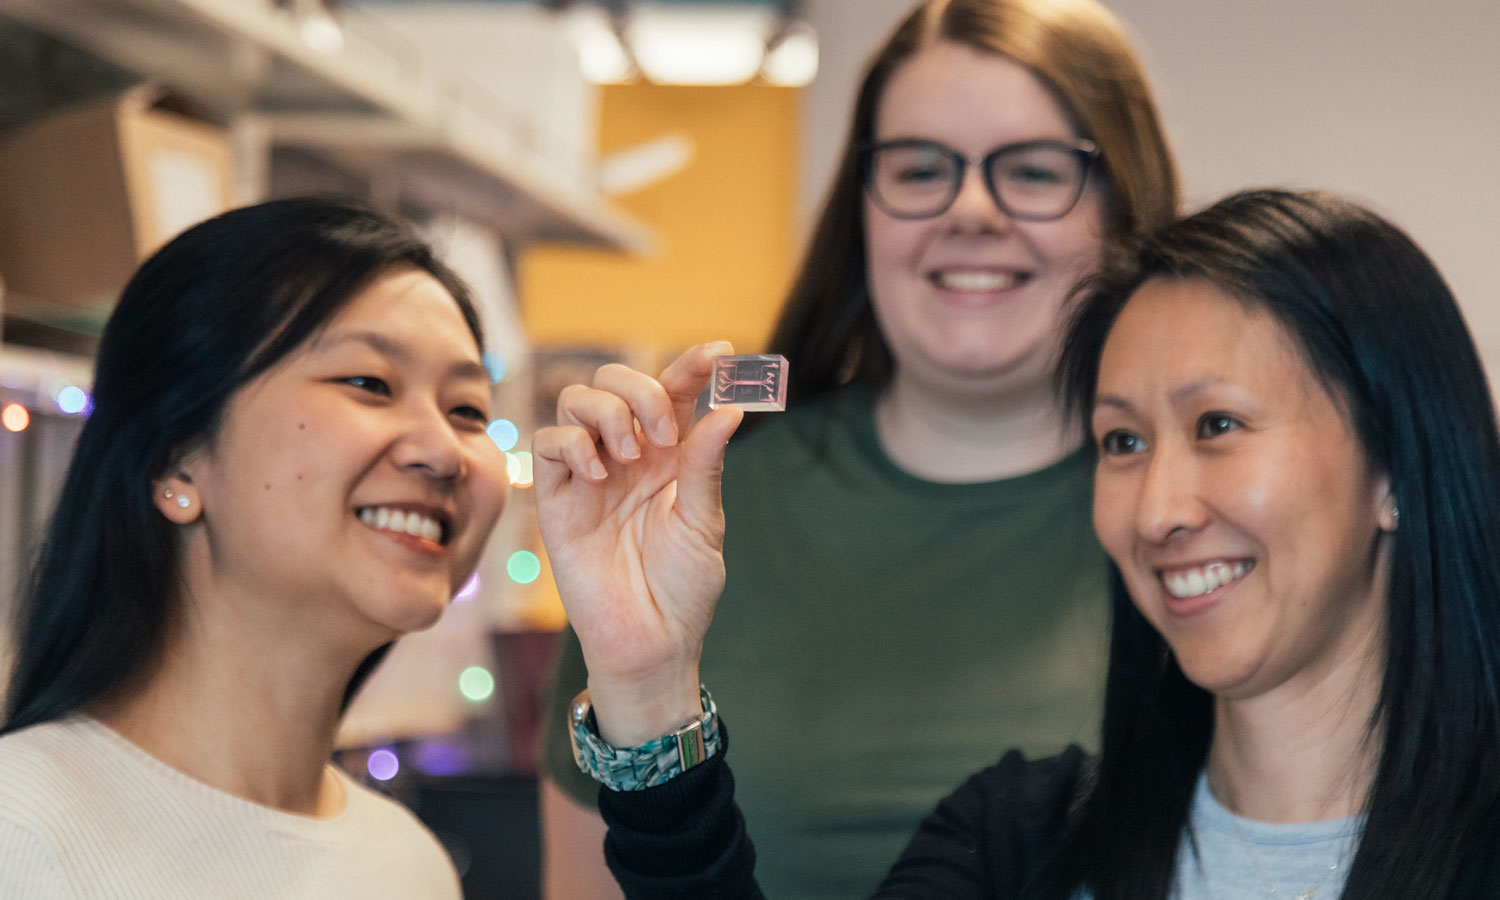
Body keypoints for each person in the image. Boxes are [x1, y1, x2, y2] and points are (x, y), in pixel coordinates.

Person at [533, 189, 1500, 898]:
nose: (1157, 509)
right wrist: (648, 680)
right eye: (1122, 441)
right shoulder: (1018, 842)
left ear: (1397, 471)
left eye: (1217, 426)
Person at [539, 0, 1178, 895]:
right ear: (862, 206)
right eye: (920, 168)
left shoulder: (1197, 523)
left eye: (1034, 171)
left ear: (1124, 205)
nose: (971, 210)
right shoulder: (683, 517)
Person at [0, 198, 510, 898]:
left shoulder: (409, 864)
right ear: (177, 459)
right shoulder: (21, 834)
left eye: (469, 411)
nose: (443, 451)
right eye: (369, 383)